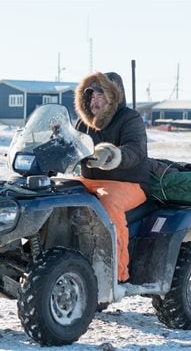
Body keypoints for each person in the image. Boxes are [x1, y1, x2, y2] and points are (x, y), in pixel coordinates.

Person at [74, 71, 149, 282]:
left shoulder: (130, 119)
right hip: (89, 181)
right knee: (53, 193)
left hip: (128, 183)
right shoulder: (82, 124)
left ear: (113, 96)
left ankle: (117, 272)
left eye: (100, 95)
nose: (94, 101)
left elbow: (135, 150)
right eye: (91, 96)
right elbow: (71, 148)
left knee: (109, 203)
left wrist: (112, 154)